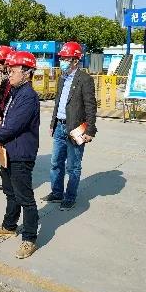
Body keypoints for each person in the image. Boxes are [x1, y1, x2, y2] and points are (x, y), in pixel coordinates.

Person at [0, 51, 40, 259]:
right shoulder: (15, 92)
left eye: (14, 70)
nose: (9, 74)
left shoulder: (28, 96)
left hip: (21, 153)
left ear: (27, 73)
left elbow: (15, 125)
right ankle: (9, 226)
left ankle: (30, 238)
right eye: (9, 70)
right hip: (9, 150)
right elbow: (7, 119)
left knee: (25, 198)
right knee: (10, 192)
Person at [42, 41, 97, 210]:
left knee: (73, 166)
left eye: (66, 59)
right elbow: (58, 103)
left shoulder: (85, 79)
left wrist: (90, 130)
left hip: (76, 128)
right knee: (55, 162)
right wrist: (53, 123)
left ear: (75, 60)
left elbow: (91, 106)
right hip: (59, 126)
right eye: (62, 58)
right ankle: (57, 193)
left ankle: (70, 197)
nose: (62, 62)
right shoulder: (62, 78)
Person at [0, 48, 15, 187]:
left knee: (7, 146)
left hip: (7, 117)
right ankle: (4, 172)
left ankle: (8, 180)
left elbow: (7, 100)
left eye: (2, 61)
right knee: (0, 144)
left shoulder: (12, 80)